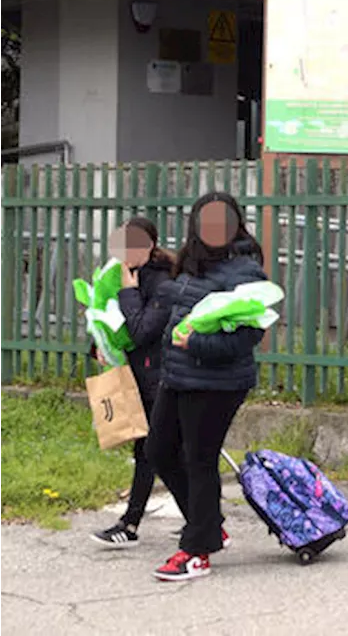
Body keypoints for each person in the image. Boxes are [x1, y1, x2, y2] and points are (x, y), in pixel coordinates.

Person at [146, 193, 267, 582]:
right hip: (178, 375)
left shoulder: (246, 271)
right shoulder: (192, 263)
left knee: (200, 458)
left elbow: (248, 336)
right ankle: (208, 524)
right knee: (159, 450)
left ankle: (196, 550)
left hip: (219, 382)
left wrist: (194, 344)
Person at [90, 217, 175, 549]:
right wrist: (98, 344)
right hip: (139, 376)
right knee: (162, 451)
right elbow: (110, 317)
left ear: (150, 245)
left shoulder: (162, 281)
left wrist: (128, 290)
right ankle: (206, 523)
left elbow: (141, 330)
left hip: (161, 377)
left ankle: (131, 524)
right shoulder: (124, 275)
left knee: (155, 451)